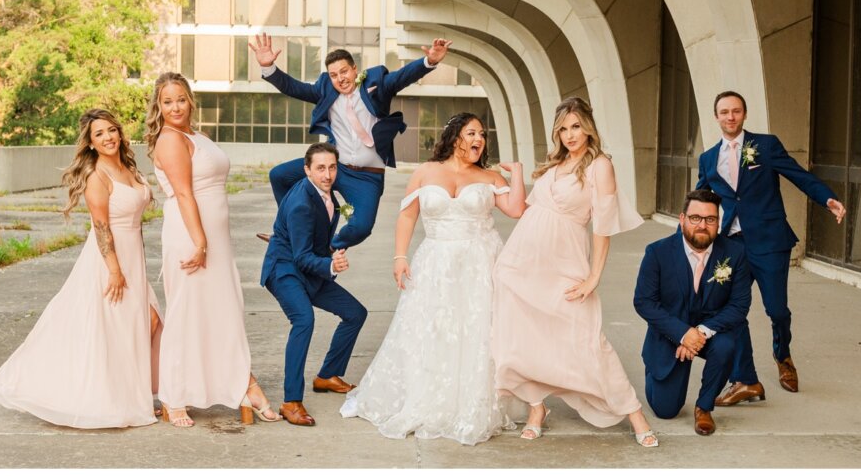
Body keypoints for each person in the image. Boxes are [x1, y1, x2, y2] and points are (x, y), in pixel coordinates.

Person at [340, 113, 526, 446]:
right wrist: (400, 257)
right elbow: (407, 216)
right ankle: (427, 396)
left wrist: (520, 174)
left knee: (476, 331)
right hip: (435, 261)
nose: (479, 139)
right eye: (472, 133)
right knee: (432, 327)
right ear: (455, 137)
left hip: (480, 263)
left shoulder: (490, 176)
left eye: (482, 135)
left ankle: (471, 402)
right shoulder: (426, 172)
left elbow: (516, 210)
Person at [0, 108, 163, 428]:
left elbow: (135, 224)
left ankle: (139, 393)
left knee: (144, 323)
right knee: (113, 328)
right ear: (90, 143)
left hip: (135, 257)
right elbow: (101, 227)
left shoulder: (129, 170)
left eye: (111, 130)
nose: (107, 137)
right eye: (99, 134)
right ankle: (113, 399)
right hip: (109, 261)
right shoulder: (97, 176)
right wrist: (115, 270)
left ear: (120, 133)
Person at [492, 97, 657, 446]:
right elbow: (525, 211)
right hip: (522, 264)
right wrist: (518, 174)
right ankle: (537, 407)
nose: (569, 135)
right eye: (563, 129)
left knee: (588, 340)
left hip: (565, 264)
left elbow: (603, 225)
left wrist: (594, 276)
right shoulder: (557, 163)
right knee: (521, 338)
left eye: (576, 126)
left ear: (588, 126)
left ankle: (634, 413)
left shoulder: (600, 165)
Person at [697, 91, 847, 405]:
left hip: (769, 241)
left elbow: (798, 175)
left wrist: (826, 199)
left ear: (744, 114)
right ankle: (746, 380)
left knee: (776, 310)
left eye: (736, 111)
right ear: (716, 117)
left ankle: (783, 355)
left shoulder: (764, 146)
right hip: (732, 246)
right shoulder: (708, 158)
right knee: (729, 311)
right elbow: (701, 199)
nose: (730, 117)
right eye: (724, 112)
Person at [147, 73, 279, 427]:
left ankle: (243, 384)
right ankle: (174, 396)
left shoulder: (197, 136)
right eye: (167, 101)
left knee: (225, 310)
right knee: (187, 312)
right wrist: (200, 242)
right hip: (191, 236)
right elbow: (185, 193)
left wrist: (212, 241)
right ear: (158, 107)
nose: (175, 106)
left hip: (216, 240)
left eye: (180, 99)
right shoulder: (169, 140)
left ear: (191, 100)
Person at [251, 33, 451, 251]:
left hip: (367, 175)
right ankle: (288, 233)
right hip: (334, 166)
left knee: (361, 227)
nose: (340, 79)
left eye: (344, 71)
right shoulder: (325, 89)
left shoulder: (376, 85)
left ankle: (326, 246)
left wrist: (429, 61)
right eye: (334, 75)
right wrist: (269, 67)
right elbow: (294, 87)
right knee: (279, 175)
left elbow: (403, 76)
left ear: (355, 69)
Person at [260, 142, 369, 427]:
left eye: (332, 167)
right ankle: (290, 401)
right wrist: (331, 265)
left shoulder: (327, 193)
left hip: (310, 271)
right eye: (320, 168)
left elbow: (311, 244)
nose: (327, 174)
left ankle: (326, 376)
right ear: (306, 170)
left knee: (356, 313)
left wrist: (330, 254)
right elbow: (302, 256)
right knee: (304, 320)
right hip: (284, 270)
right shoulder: (300, 203)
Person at [633, 189, 752, 436]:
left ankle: (704, 406)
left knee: (727, 344)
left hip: (710, 331)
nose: (702, 225)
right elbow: (644, 302)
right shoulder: (657, 252)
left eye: (710, 219)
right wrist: (681, 333)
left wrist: (699, 332)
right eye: (695, 218)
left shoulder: (735, 253)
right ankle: (657, 368)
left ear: (718, 223)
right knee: (665, 410)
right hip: (670, 333)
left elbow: (739, 306)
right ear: (682, 219)